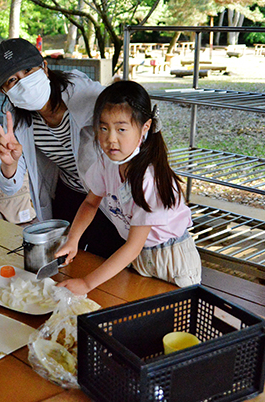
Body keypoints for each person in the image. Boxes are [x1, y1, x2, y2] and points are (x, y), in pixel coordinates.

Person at [55, 81, 201, 295]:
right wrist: (73, 239)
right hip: (139, 257)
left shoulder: (148, 179)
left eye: (121, 129)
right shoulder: (108, 163)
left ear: (145, 127)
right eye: (104, 128)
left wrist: (86, 284)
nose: (110, 139)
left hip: (172, 261)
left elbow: (132, 246)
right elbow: (90, 203)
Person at [0, 38, 123, 258]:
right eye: (12, 80)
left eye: (28, 71)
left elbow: (132, 128)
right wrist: (8, 164)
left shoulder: (87, 96)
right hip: (68, 194)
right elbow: (9, 188)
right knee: (69, 259)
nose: (24, 83)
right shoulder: (16, 119)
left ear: (45, 68)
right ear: (5, 91)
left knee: (107, 259)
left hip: (106, 196)